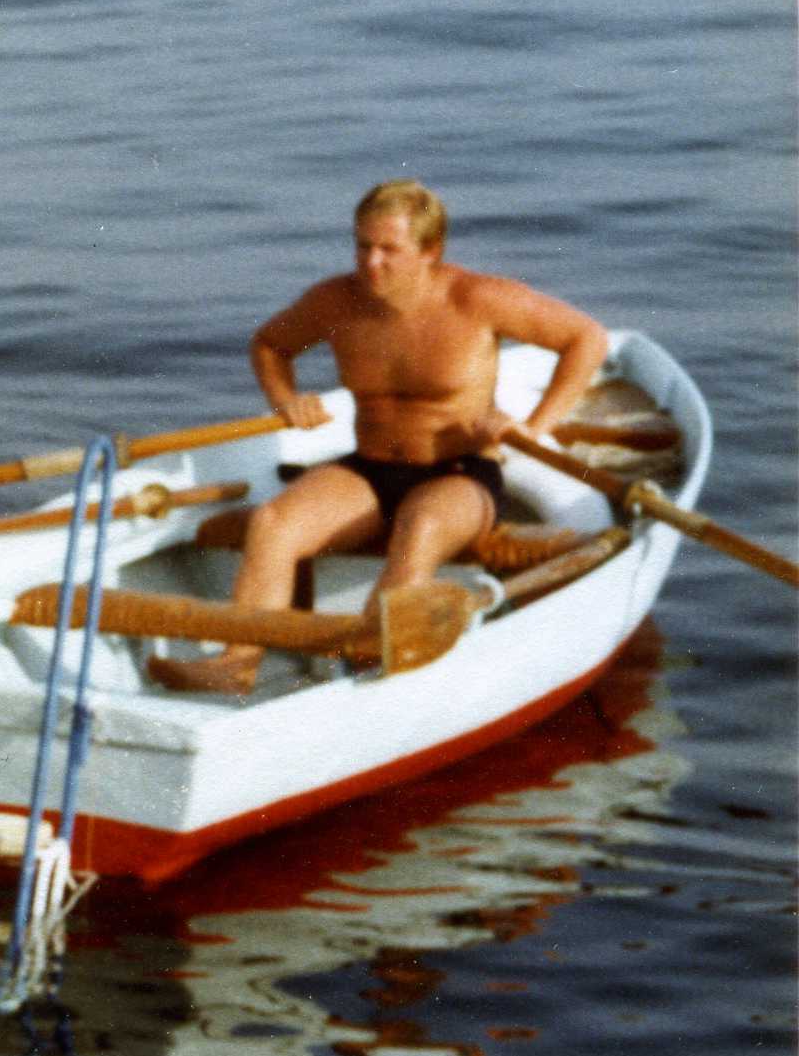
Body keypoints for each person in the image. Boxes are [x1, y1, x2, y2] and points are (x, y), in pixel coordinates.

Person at [152, 179, 611, 694]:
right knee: (273, 522)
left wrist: (532, 428)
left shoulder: (477, 298)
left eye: (389, 250)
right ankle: (236, 665)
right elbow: (269, 344)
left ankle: (368, 664)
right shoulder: (334, 302)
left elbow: (586, 339)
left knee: (420, 527)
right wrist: (285, 401)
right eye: (363, 246)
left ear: (430, 251)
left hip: (461, 475)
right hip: (369, 469)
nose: (371, 263)